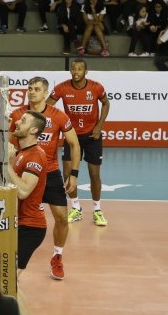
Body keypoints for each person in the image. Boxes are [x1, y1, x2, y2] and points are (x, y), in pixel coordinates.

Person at [10, 78, 81, 281]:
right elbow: (8, 145)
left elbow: (74, 144)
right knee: (18, 217)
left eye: (37, 89)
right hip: (25, 171)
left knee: (61, 217)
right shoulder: (18, 115)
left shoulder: (58, 115)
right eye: (29, 89)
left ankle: (57, 256)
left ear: (46, 92)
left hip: (50, 172)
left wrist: (73, 174)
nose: (32, 92)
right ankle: (11, 255)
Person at [48, 58, 111, 226]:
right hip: (71, 136)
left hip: (92, 136)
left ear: (86, 72)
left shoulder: (96, 87)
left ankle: (97, 210)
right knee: (67, 174)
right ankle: (75, 207)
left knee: (94, 174)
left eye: (79, 69)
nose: (76, 72)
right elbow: (47, 106)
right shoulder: (61, 88)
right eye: (73, 69)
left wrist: (99, 126)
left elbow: (106, 104)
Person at [6, 110, 48, 274]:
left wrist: (6, 163)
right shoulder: (22, 153)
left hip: (31, 228)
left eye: (23, 121)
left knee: (7, 279)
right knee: (4, 279)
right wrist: (10, 159)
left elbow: (23, 191)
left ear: (33, 130)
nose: (16, 122)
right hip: (19, 224)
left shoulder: (36, 156)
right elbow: (14, 180)